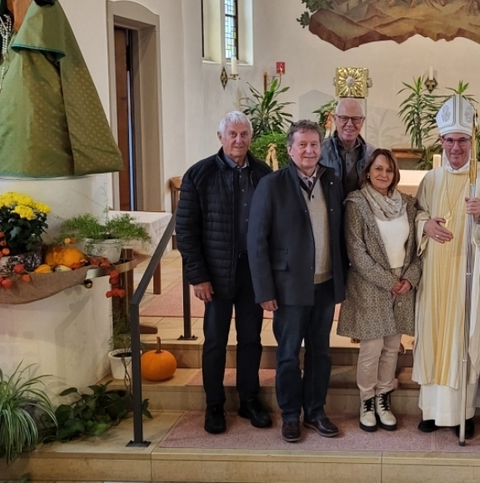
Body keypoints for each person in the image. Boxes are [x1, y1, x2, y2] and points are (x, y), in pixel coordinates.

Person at [413, 94, 480, 439]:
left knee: (462, 339)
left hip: (468, 280)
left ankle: (461, 414)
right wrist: (424, 225)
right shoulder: (431, 180)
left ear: (472, 141)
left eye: (462, 140)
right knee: (433, 337)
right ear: (440, 142)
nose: (456, 147)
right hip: (435, 277)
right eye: (450, 140)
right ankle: (431, 410)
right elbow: (417, 216)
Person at [248, 120, 348, 443]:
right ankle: (290, 415)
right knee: (289, 353)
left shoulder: (332, 180)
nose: (309, 150)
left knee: (321, 352)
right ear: (290, 149)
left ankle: (315, 411)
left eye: (314, 144)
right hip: (289, 287)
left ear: (322, 148)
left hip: (324, 283)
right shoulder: (272, 184)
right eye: (302, 145)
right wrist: (264, 289)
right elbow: (257, 240)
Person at [176, 111, 273, 435]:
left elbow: (273, 227)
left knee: (251, 340)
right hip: (215, 275)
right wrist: (198, 275)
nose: (238, 140)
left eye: (244, 134)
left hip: (251, 273)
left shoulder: (263, 173)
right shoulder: (199, 175)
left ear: (250, 136)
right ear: (220, 137)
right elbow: (186, 230)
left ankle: (249, 399)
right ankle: (214, 405)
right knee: (215, 341)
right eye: (232, 134)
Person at [0, 0, 123, 177]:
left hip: (39, 80)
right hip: (13, 72)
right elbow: (17, 20)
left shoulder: (42, 4)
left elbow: (38, 28)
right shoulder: (17, 2)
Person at [337, 148, 422, 432]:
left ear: (395, 174)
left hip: (401, 283)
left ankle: (384, 399)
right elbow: (357, 252)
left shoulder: (407, 204)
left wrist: (409, 278)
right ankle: (367, 401)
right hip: (370, 283)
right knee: (371, 349)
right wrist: (388, 281)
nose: (383, 174)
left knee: (391, 348)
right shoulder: (357, 203)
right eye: (378, 169)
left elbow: (417, 248)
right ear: (368, 172)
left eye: (388, 170)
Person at [319, 98, 377, 195]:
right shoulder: (319, 151)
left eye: (355, 119)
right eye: (344, 118)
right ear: (335, 119)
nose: (349, 124)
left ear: (362, 121)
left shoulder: (372, 154)